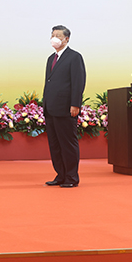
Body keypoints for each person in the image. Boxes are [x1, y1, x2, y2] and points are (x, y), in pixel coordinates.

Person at [42, 25, 86, 188]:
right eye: (52, 35)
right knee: (55, 145)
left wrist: (75, 104)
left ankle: (71, 177)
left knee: (67, 144)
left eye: (58, 36)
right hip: (51, 108)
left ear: (66, 39)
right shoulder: (50, 59)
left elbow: (78, 82)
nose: (54, 38)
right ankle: (60, 175)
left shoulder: (74, 57)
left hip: (66, 108)